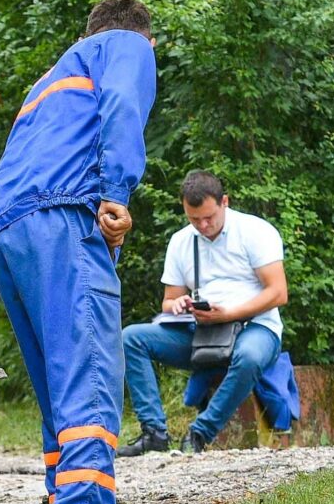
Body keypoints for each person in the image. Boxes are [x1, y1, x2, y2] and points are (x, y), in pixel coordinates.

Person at [0, 0, 158, 504]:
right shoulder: (126, 46)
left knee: (58, 377)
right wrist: (117, 193)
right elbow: (125, 107)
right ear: (144, 39)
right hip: (61, 214)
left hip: (6, 223)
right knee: (89, 367)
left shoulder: (51, 78)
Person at [118, 171, 289, 456]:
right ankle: (154, 434)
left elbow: (278, 293)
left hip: (255, 327)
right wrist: (178, 306)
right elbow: (168, 301)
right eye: (194, 219)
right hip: (204, 332)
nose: (204, 225)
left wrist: (230, 313)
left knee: (248, 357)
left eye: (209, 217)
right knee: (131, 338)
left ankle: (199, 433)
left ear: (224, 202)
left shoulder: (256, 231)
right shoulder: (182, 241)